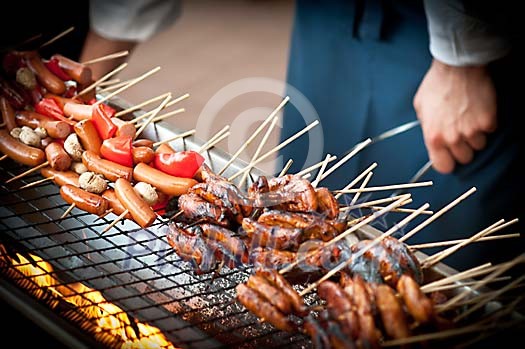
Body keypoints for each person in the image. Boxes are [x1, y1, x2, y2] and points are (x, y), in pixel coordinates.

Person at [278, 0, 523, 271]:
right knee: (294, 222)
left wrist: (461, 58)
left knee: (434, 259)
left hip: (437, 43)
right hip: (324, 22)